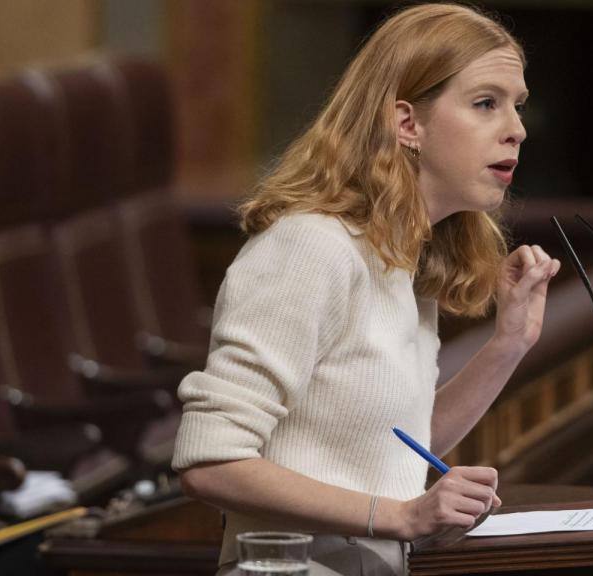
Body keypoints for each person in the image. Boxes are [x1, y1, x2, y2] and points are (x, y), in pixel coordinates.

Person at [172, 4, 561, 575]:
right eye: (486, 103)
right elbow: (210, 461)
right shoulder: (310, 247)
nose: (517, 129)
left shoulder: (400, 256)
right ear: (408, 124)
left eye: (516, 106)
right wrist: (401, 517)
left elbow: (396, 445)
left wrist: (509, 344)